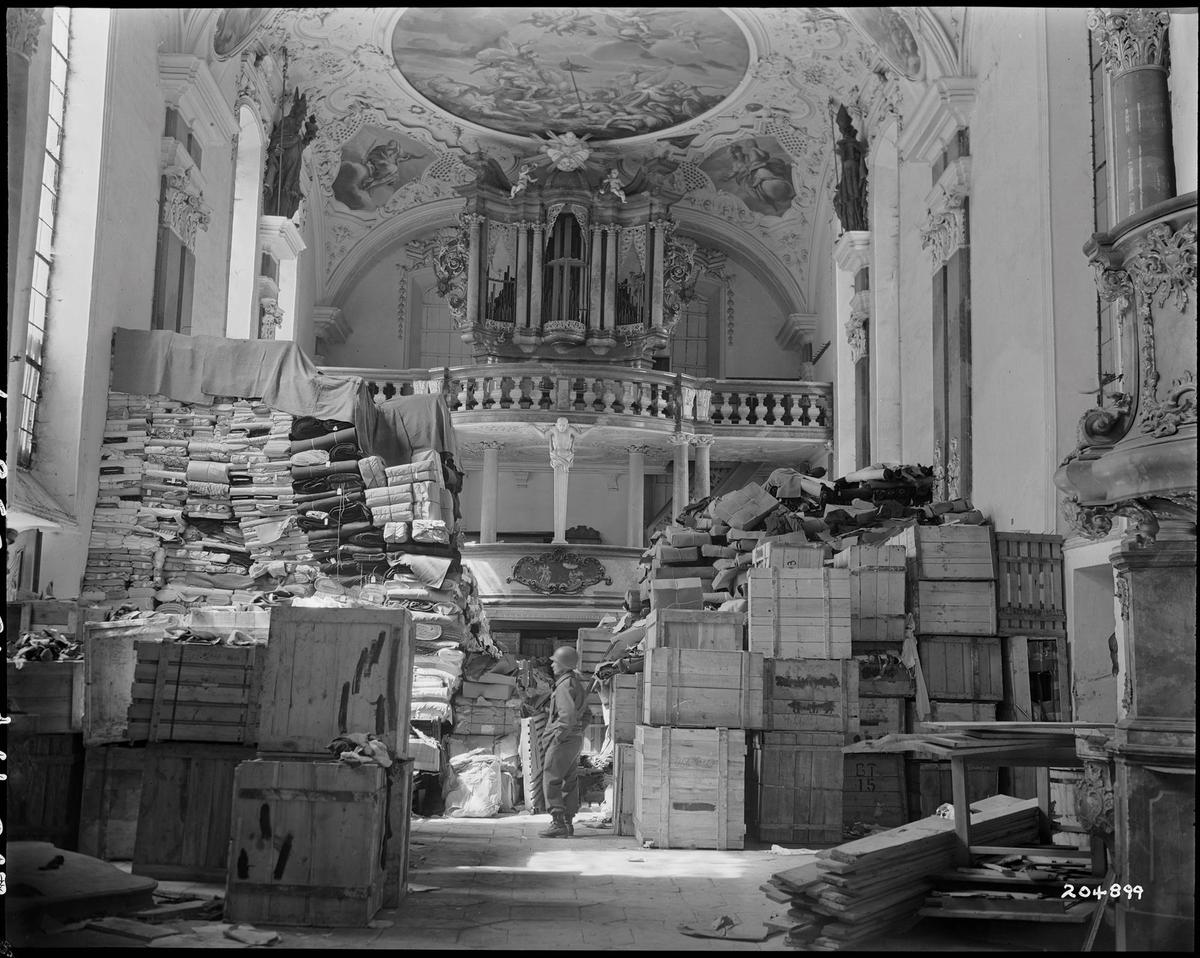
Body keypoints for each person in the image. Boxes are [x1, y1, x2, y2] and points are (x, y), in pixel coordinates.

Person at [538, 645, 589, 838]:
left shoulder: (563, 686)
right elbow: (587, 715)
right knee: (570, 780)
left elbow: (566, 716)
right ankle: (568, 823)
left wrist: (559, 737)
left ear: (564, 665)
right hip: (574, 740)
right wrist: (576, 732)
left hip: (563, 740)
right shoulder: (576, 684)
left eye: (555, 661)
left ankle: (558, 822)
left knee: (551, 778)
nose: (551, 664)